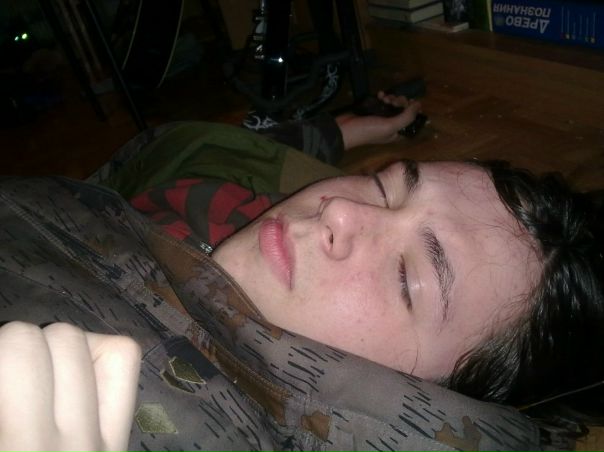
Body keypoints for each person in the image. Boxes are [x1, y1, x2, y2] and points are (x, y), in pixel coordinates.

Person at [0, 93, 602, 451]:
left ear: (431, 394)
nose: (339, 209)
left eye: (406, 278)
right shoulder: (263, 229)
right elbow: (219, 150)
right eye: (385, 186)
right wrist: (343, 131)